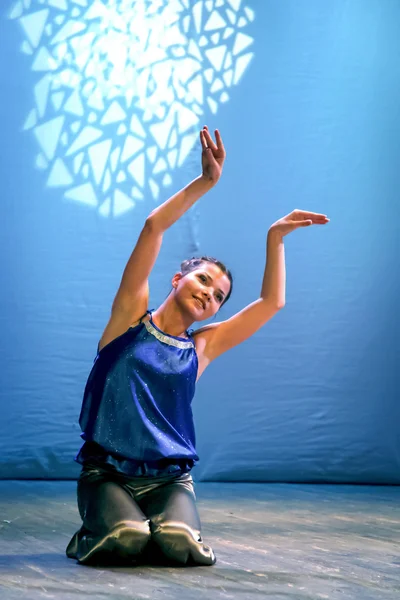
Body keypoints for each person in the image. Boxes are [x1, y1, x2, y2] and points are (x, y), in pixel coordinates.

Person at [66, 126, 329, 567]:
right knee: (127, 539)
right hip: (107, 473)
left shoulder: (201, 346)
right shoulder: (129, 319)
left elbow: (271, 302)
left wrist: (275, 238)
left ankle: (161, 522)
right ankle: (95, 531)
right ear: (177, 279)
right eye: (203, 278)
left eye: (219, 294)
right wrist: (206, 182)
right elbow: (153, 226)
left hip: (170, 480)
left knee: (179, 546)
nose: (209, 292)